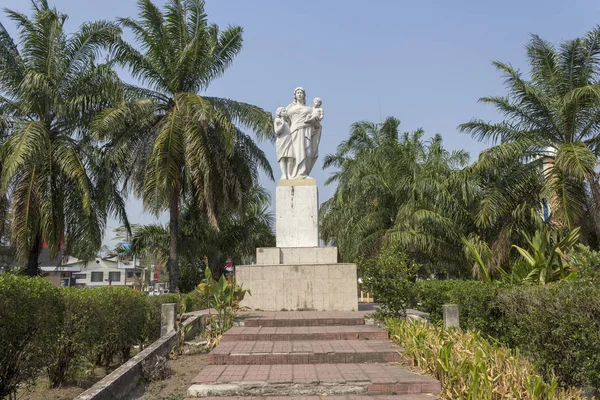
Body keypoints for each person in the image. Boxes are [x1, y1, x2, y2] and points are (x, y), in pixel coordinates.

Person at [284, 87, 318, 178]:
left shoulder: (309, 109)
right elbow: (284, 119)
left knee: (308, 152)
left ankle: (304, 173)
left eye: (301, 93)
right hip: (294, 130)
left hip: (307, 131)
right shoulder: (290, 108)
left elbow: (316, 124)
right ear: (294, 95)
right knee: (295, 152)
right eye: (297, 93)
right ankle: (294, 174)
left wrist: (315, 121)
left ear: (304, 95)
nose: (299, 94)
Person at [274, 107, 294, 179]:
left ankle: (289, 174)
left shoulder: (288, 122)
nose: (286, 112)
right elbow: (277, 131)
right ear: (280, 113)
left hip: (289, 140)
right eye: (284, 111)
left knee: (290, 157)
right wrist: (282, 125)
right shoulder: (277, 121)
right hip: (281, 140)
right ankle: (284, 174)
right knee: (282, 158)